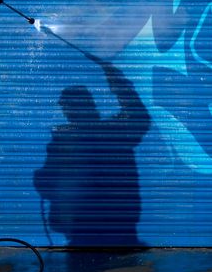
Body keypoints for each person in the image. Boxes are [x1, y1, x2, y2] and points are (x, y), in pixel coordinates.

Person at [33, 61, 151, 247]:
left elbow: (47, 183)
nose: (65, 111)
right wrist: (120, 84)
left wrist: (40, 178)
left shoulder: (68, 139)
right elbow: (139, 117)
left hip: (85, 230)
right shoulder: (113, 130)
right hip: (116, 226)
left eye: (67, 106)